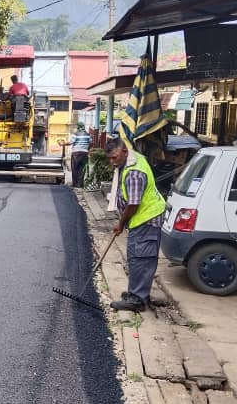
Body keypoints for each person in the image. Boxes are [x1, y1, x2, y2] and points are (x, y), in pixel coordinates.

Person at [106, 138, 166, 312]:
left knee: (141, 258)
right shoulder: (132, 158)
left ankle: (137, 300)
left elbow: (133, 204)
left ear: (124, 152)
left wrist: (121, 223)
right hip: (142, 218)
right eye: (110, 158)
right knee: (138, 257)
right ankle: (138, 293)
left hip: (146, 218)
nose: (112, 162)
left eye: (115, 157)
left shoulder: (134, 173)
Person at [61, 123, 92, 188]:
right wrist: (86, 149)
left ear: (78, 127)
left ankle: (75, 184)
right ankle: (80, 184)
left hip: (76, 153)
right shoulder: (88, 134)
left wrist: (63, 144)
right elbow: (91, 143)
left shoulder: (75, 134)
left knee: (75, 168)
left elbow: (70, 142)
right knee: (82, 169)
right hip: (84, 153)